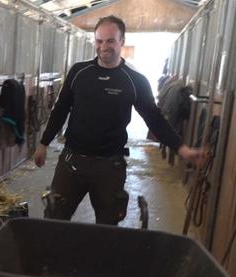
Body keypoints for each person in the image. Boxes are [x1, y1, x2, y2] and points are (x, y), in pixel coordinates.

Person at [34, 15, 205, 225]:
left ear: (122, 41)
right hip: (72, 162)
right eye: (99, 41)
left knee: (108, 230)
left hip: (110, 167)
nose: (103, 46)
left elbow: (154, 119)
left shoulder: (135, 81)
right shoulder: (79, 72)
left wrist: (182, 149)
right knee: (53, 221)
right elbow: (60, 109)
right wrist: (43, 143)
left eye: (110, 41)